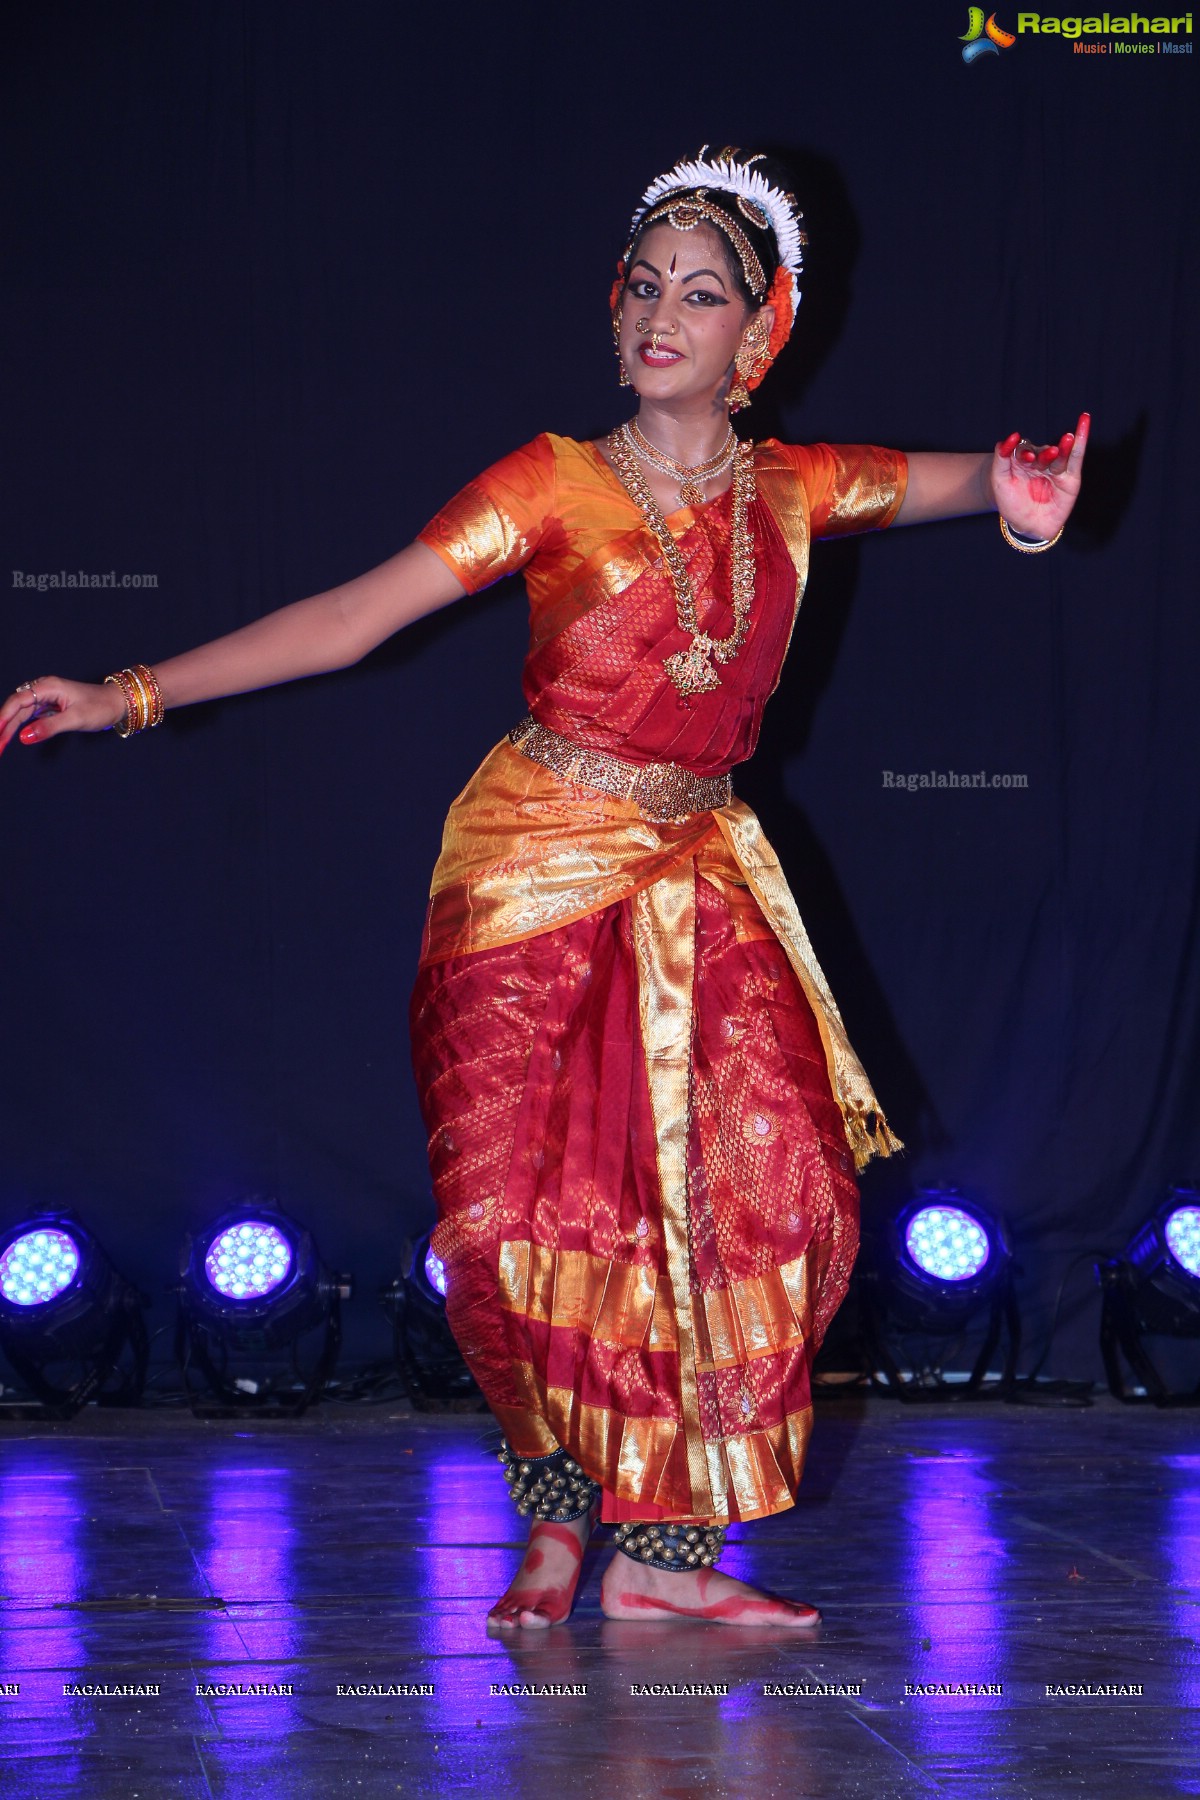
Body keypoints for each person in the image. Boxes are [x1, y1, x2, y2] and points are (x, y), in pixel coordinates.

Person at [1, 146, 1088, 1632]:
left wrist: (1023, 493)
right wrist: (125, 691)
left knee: (770, 1195)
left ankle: (662, 1561)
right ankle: (561, 1522)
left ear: (756, 336)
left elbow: (952, 481)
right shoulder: (553, 483)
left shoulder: (793, 488)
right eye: (644, 285)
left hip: (701, 868)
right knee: (524, 1221)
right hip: (525, 870)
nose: (662, 314)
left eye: (702, 294)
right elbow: (352, 616)